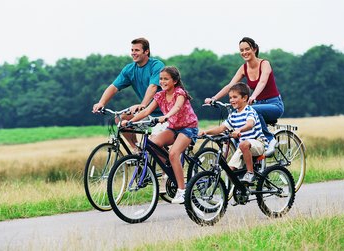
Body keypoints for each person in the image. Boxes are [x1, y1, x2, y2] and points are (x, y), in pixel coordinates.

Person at [122, 66, 198, 204]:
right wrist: (130, 122)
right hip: (173, 128)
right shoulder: (160, 95)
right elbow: (145, 112)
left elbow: (177, 107)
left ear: (174, 81)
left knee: (174, 153)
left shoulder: (179, 93)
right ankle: (171, 165)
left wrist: (166, 116)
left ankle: (182, 190)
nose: (162, 82)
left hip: (188, 128)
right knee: (154, 144)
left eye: (166, 79)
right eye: (161, 79)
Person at [205, 37, 284, 150]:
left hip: (274, 105)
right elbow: (230, 86)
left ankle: (270, 140)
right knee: (239, 116)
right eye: (241, 50)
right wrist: (214, 98)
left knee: (253, 110)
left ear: (254, 49)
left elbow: (262, 82)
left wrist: (254, 96)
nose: (244, 52)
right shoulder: (244, 68)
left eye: (247, 49)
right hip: (256, 105)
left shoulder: (264, 64)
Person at [92, 38, 165, 151]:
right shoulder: (129, 69)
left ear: (146, 51)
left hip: (164, 114)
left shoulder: (156, 65)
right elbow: (114, 87)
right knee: (121, 118)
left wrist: (143, 105)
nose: (133, 53)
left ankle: (170, 167)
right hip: (147, 112)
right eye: (132, 50)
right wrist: (101, 102)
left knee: (155, 148)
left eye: (137, 50)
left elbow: (153, 87)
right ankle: (136, 150)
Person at [200, 83, 268, 183]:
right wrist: (206, 132)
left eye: (235, 97)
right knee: (229, 170)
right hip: (243, 147)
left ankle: (250, 173)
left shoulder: (250, 111)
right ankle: (242, 189)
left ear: (245, 98)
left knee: (243, 144)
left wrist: (239, 130)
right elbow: (221, 128)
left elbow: (250, 124)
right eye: (230, 97)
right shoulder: (233, 115)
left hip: (258, 143)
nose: (231, 100)